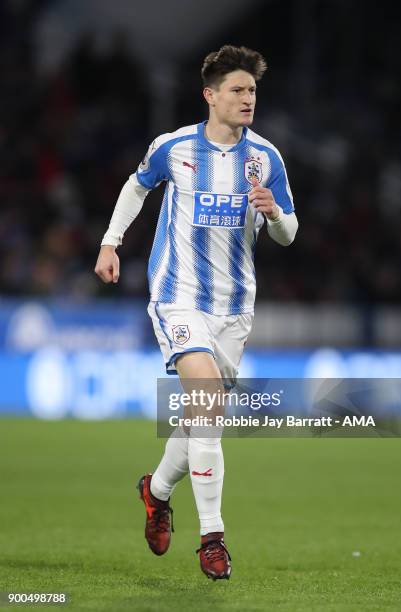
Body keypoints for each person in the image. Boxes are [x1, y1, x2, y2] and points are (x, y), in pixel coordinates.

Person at [94, 45, 298, 581]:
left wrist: (273, 212)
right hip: (177, 295)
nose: (247, 98)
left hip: (235, 306)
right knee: (206, 402)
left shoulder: (266, 159)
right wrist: (110, 243)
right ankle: (214, 539)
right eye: (236, 89)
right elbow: (135, 188)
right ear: (210, 96)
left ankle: (155, 491)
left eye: (251, 90)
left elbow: (289, 233)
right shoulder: (174, 147)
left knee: (201, 421)